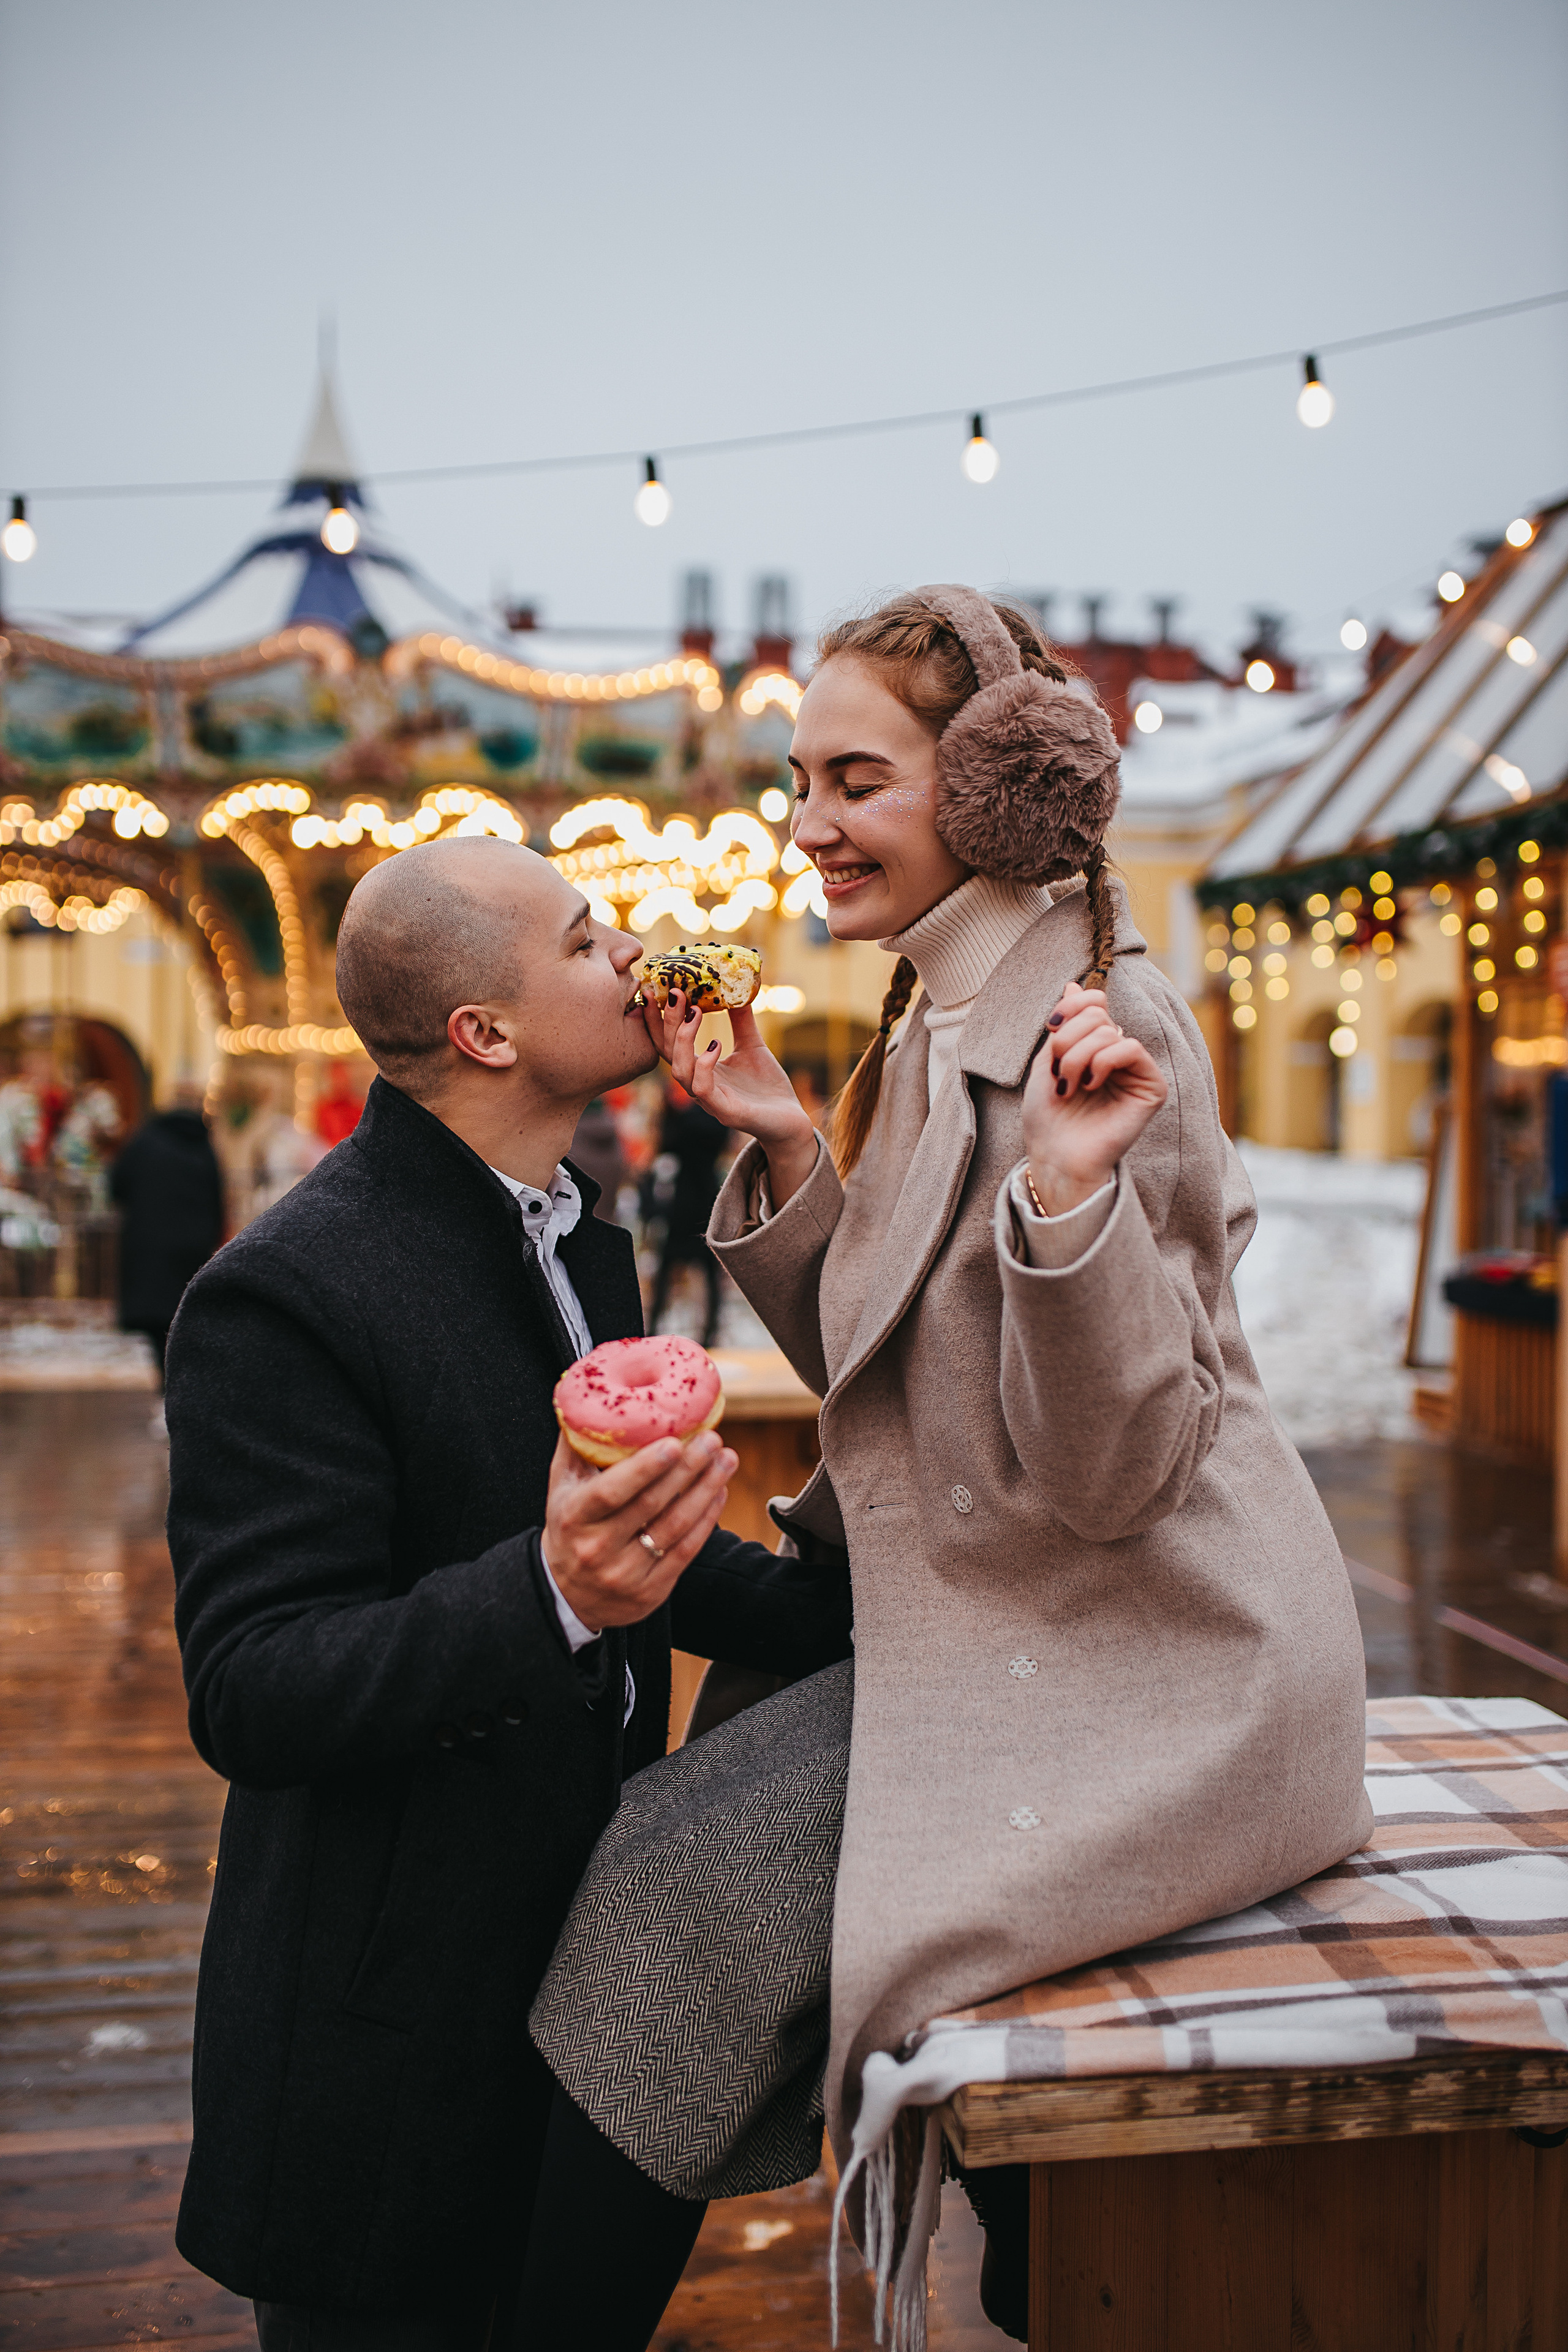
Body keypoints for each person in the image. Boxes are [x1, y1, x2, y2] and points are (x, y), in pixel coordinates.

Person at [527, 587, 1371, 2344]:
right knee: (681, 1839)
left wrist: (1067, 1200)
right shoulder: (939, 1008)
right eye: (798, 779)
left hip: (1156, 1653)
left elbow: (1117, 1471)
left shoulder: (1104, 1025)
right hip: (1009, 1621)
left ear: (995, 791)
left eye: (857, 780)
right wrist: (782, 1143)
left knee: (683, 1891)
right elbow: (902, 1376)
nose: (807, 823)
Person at [164, 837, 851, 2348]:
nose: (635, 957)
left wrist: (863, 1611)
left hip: (585, 1953)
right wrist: (548, 1591)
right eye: (587, 940)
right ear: (483, 1032)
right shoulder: (287, 1290)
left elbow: (643, 1550)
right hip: (387, 2017)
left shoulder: (568, 1232)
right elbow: (255, 1685)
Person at [110, 1085, 224, 1412]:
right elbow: (218, 1199)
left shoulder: (145, 1141)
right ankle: (181, 1391)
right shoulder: (204, 1146)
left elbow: (117, 1185)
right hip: (192, 1248)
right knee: (183, 1318)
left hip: (148, 1246)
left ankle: (168, 1392)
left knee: (156, 1323)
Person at [645, 1082, 728, 1344]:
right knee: (708, 1269)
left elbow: (666, 1145)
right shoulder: (716, 1116)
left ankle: (654, 1326)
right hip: (706, 1199)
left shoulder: (684, 1118)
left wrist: (670, 1112)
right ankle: (710, 1330)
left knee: (670, 1265)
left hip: (685, 1200)